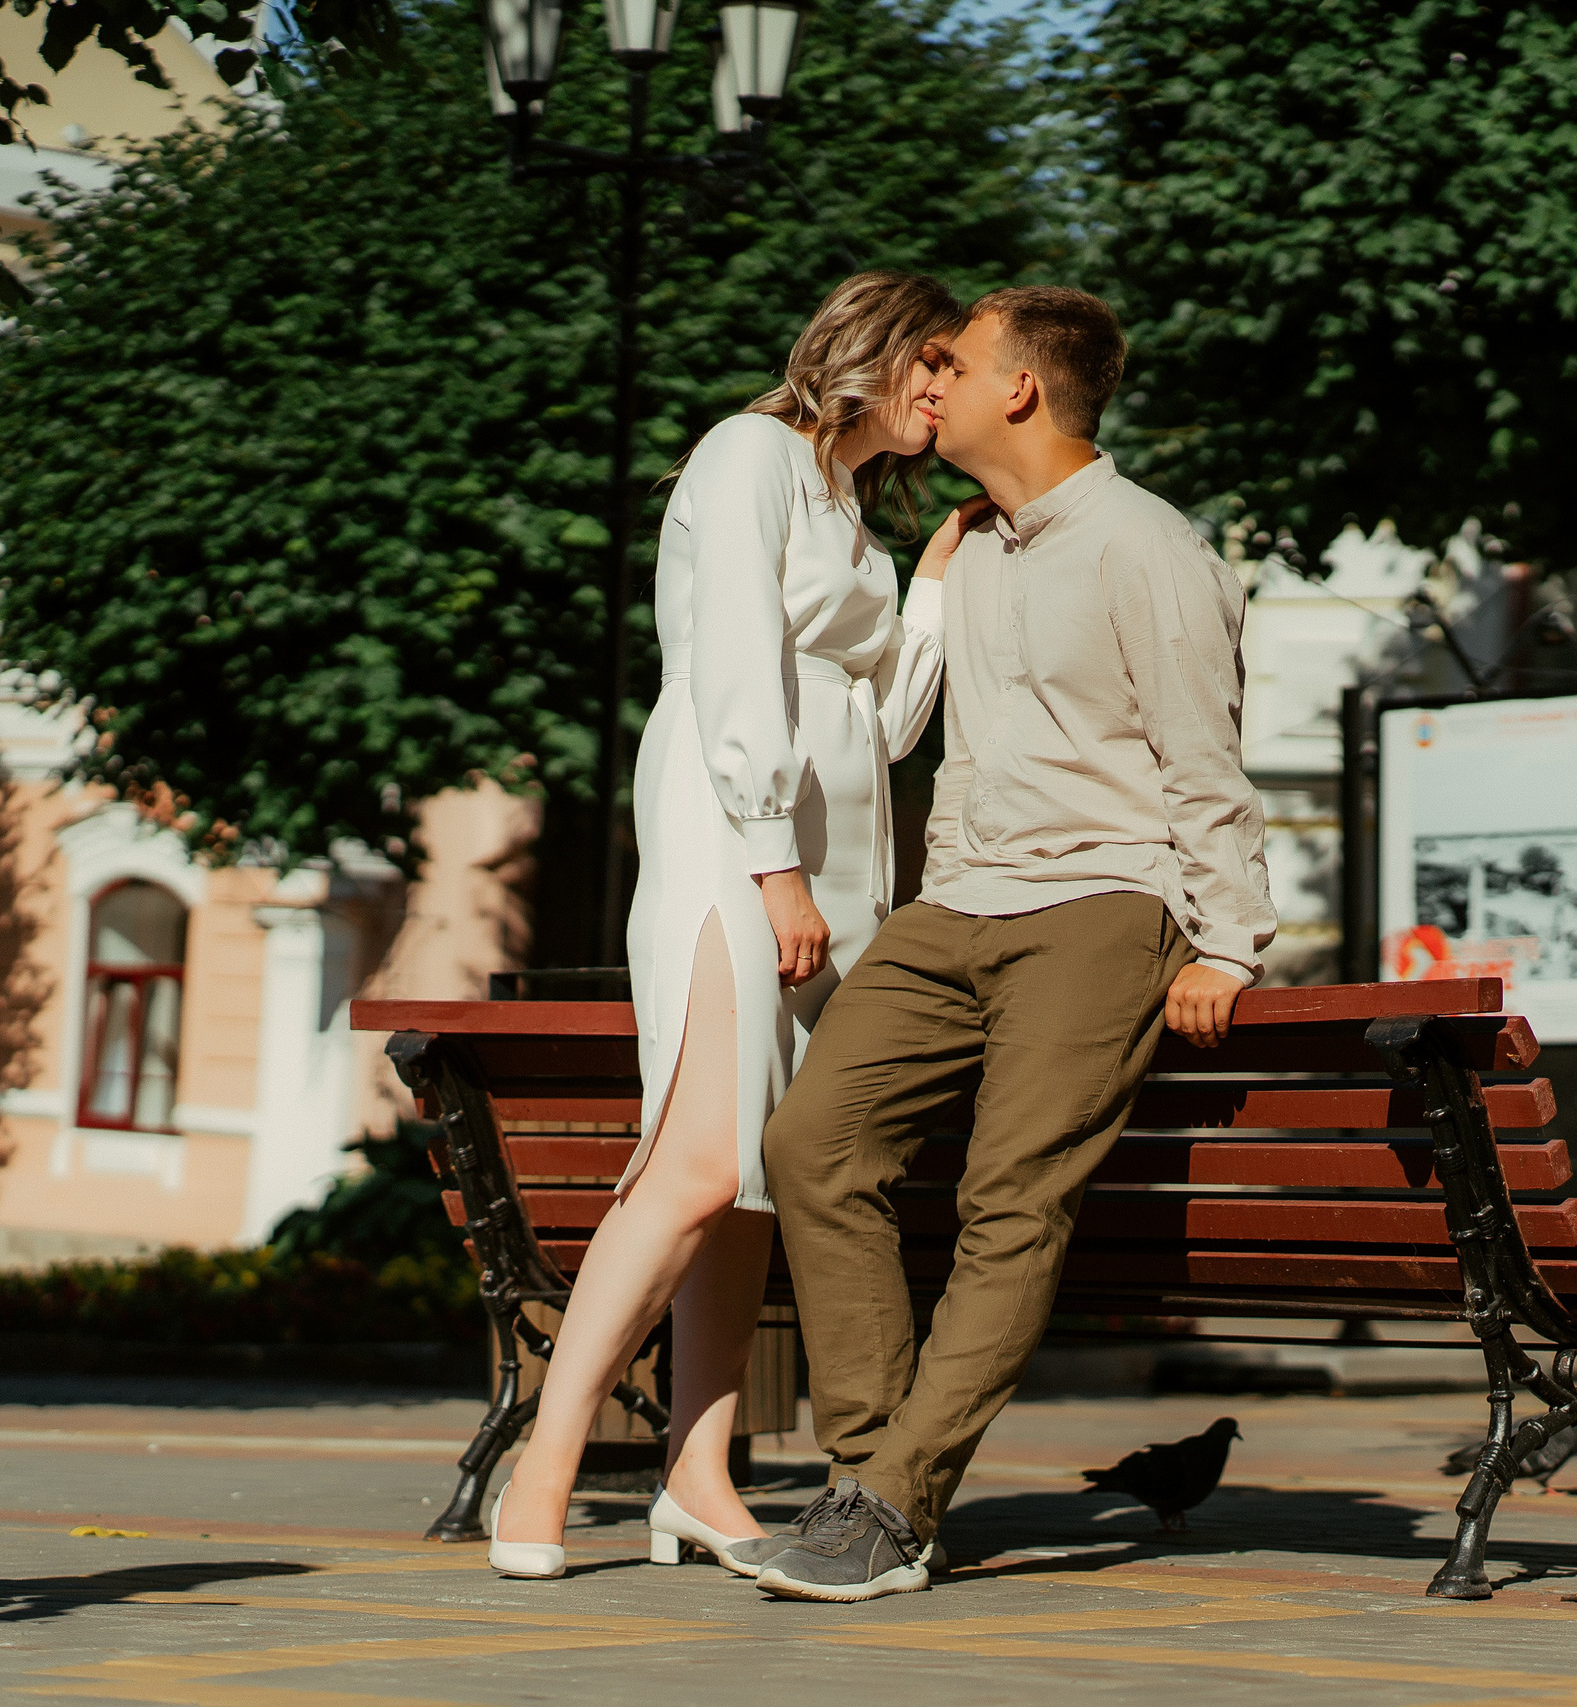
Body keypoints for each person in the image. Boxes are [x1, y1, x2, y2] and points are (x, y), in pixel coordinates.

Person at [751, 286, 1277, 1604]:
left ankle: (889, 1504)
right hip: (959, 902)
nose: (933, 379)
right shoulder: (974, 548)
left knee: (1009, 1202)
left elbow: (1204, 763)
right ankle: (875, 1475)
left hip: (1105, 904)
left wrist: (1228, 943)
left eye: (957, 360)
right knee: (816, 1143)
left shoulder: (1149, 547)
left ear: (1023, 391)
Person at [487, 271, 985, 1581]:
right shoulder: (753, 453)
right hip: (734, 840)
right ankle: (542, 1466)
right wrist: (774, 868)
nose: (943, 393)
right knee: (700, 1160)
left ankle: (698, 1479)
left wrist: (927, 585)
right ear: (868, 352)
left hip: (834, 866)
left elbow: (882, 728)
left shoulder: (857, 525)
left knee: (761, 1178)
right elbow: (729, 671)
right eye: (930, 364)